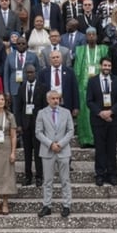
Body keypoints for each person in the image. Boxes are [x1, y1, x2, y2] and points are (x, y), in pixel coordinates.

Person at [86, 57, 117, 186]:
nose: (107, 67)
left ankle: (112, 174)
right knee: (100, 148)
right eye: (105, 65)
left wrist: (111, 112)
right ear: (100, 66)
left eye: (109, 65)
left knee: (112, 149)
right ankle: (100, 174)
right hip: (98, 120)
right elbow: (89, 101)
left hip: (113, 120)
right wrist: (101, 113)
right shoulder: (92, 81)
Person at [36, 89, 73, 218]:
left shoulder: (66, 112)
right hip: (47, 151)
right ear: (48, 100)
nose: (56, 100)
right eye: (53, 98)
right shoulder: (41, 113)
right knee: (47, 180)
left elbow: (70, 131)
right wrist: (51, 144)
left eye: (57, 98)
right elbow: (38, 132)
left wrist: (60, 144)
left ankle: (67, 205)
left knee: (65, 179)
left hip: (63, 151)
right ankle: (47, 205)